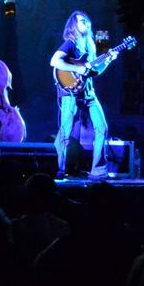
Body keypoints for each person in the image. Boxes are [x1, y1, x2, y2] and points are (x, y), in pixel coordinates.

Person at [49, 10, 109, 178]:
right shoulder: (70, 43)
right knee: (66, 131)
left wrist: (107, 61)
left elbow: (93, 72)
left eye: (87, 20)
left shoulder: (90, 46)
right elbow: (54, 61)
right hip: (70, 93)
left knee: (102, 127)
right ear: (74, 25)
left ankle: (97, 170)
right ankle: (58, 168)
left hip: (88, 94)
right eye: (82, 21)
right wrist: (77, 68)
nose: (87, 23)